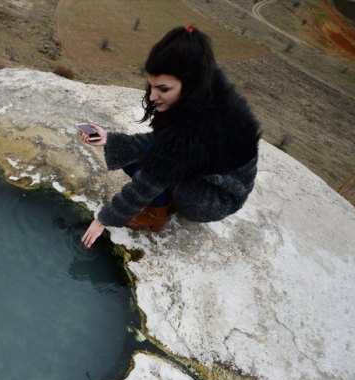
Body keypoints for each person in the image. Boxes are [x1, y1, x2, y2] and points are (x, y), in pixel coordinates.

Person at [79, 25, 260, 249]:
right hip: (206, 177)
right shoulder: (200, 96)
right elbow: (160, 141)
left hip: (215, 199)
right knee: (131, 155)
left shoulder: (204, 127)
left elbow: (149, 180)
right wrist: (111, 139)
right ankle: (166, 200)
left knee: (144, 165)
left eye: (163, 89)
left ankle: (155, 215)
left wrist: (103, 219)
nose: (153, 96)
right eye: (152, 85)